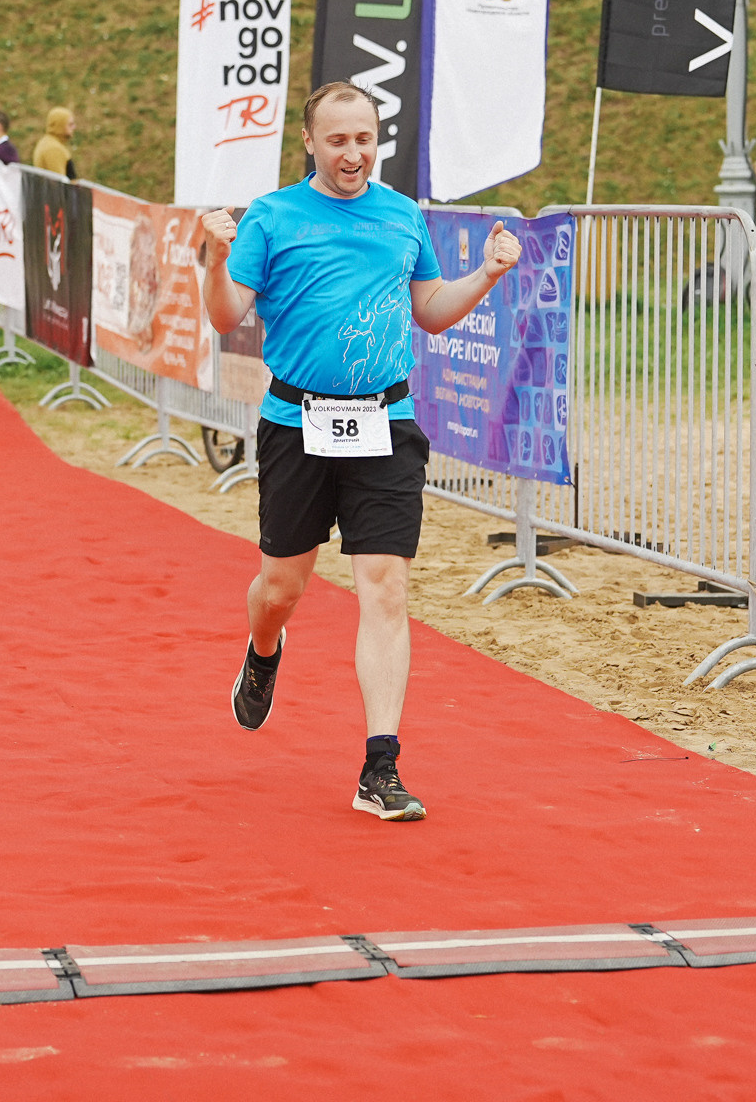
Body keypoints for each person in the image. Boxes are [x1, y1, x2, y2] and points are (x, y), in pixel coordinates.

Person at [196, 81, 521, 822]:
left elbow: (430, 312)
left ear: (379, 140)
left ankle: (381, 768)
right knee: (282, 588)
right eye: (338, 140)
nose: (354, 153)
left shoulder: (402, 216)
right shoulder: (274, 217)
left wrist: (487, 275)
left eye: (364, 138)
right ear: (310, 143)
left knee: (385, 587)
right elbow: (225, 317)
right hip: (297, 423)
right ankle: (263, 650)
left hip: (385, 422)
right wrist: (214, 260)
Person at [31, 106, 77, 178]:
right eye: (70, 124)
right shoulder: (53, 149)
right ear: (60, 125)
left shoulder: (48, 142)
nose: (74, 127)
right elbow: (59, 184)